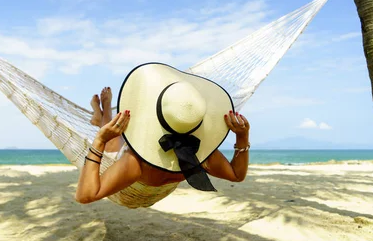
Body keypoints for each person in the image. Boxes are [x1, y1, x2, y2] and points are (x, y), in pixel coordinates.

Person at [75, 62, 251, 205]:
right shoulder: (202, 154)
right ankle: (101, 115)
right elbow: (237, 175)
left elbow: (85, 196)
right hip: (154, 180)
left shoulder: (135, 163)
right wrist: (242, 137)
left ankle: (103, 114)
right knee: (117, 136)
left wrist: (99, 140)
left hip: (132, 187)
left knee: (113, 140)